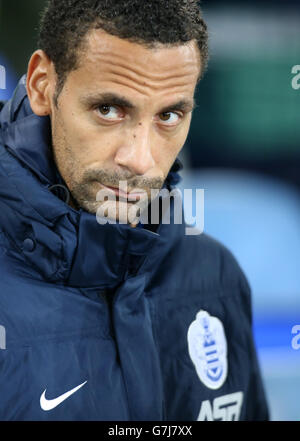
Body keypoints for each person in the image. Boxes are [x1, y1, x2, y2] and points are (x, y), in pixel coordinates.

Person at [0, 0, 269, 421]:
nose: (140, 160)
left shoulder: (216, 276)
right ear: (41, 86)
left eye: (169, 115)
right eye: (109, 110)